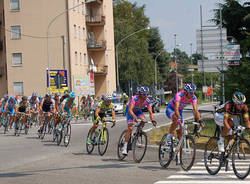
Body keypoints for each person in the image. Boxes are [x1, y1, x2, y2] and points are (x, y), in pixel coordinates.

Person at [121, 86, 157, 155]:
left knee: (143, 121)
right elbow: (130, 110)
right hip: (130, 111)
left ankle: (136, 136)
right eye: (144, 94)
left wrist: (153, 120)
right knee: (130, 128)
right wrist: (134, 117)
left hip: (138, 111)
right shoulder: (135, 98)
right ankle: (124, 147)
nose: (146, 96)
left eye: (147, 94)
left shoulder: (148, 101)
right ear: (140, 94)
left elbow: (150, 112)